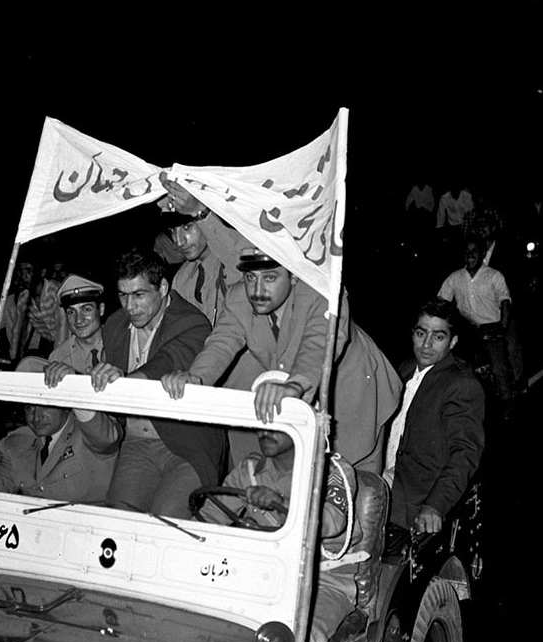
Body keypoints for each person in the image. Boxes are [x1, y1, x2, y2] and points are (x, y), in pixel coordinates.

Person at [161, 250, 401, 473]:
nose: (257, 290)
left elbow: (319, 343)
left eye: (270, 278)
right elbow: (221, 342)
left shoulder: (321, 291)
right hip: (299, 396)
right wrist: (196, 377)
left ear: (293, 276)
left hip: (353, 392)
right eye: (250, 278)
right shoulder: (237, 298)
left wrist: (296, 384)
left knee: (352, 481)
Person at [198, 418, 388, 642]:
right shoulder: (249, 471)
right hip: (265, 572)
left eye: (278, 422)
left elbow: (331, 522)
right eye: (263, 423)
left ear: (302, 423)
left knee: (294, 640)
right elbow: (208, 518)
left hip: (324, 581)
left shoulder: (332, 471)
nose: (266, 431)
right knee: (211, 620)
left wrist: (283, 504)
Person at [90, 249, 226, 518]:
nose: (130, 306)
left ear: (163, 288)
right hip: (136, 443)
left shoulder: (193, 322)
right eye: (123, 295)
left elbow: (167, 360)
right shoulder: (114, 326)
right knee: (117, 519)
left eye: (139, 295)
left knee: (166, 519)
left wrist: (124, 382)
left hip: (187, 446)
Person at [0, 357, 122, 502]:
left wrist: (73, 389)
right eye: (29, 408)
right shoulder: (16, 444)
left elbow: (106, 438)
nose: (36, 417)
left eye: (45, 406)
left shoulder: (89, 433)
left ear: (65, 405)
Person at [383, 298, 485, 534]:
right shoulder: (405, 369)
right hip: (384, 486)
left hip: (415, 508)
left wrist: (435, 505)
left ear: (453, 342)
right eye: (421, 333)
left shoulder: (461, 384)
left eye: (438, 337)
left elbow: (465, 452)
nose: (426, 344)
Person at [437, 236, 519, 410]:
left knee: (498, 367)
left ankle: (507, 403)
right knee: (457, 365)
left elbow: (505, 300)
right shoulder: (455, 277)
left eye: (474, 251)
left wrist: (503, 325)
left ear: (482, 254)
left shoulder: (494, 275)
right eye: (467, 252)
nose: (470, 255)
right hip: (468, 329)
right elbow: (442, 301)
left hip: (491, 327)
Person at [157, 172, 245, 326]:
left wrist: (198, 210)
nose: (179, 241)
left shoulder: (231, 260)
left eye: (187, 227)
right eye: (172, 230)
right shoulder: (182, 279)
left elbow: (239, 260)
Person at [43, 274, 106, 385]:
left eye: (87, 309)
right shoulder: (58, 358)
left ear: (101, 309)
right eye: (71, 312)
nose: (78, 320)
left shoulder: (121, 343)